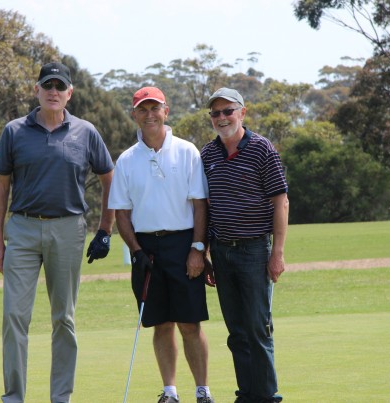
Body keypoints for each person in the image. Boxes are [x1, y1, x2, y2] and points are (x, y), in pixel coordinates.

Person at [0, 62, 115, 403]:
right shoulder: (14, 131)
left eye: (60, 86)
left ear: (69, 93)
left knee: (64, 319)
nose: (54, 91)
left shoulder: (86, 132)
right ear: (37, 90)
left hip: (68, 228)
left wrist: (105, 228)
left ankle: (61, 398)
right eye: (48, 85)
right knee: (14, 316)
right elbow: (0, 187)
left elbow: (110, 179)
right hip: (24, 230)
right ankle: (14, 397)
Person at [109, 87, 214, 403]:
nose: (150, 114)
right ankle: (170, 392)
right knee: (161, 324)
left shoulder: (186, 151)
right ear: (135, 115)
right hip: (146, 248)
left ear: (166, 111)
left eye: (155, 108)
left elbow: (200, 206)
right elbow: (122, 214)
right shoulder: (127, 160)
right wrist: (137, 252)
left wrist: (198, 249)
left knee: (190, 324)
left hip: (183, 245)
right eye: (143, 109)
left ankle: (202, 391)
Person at [201, 88, 289, 403]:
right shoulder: (207, 155)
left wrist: (277, 253)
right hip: (222, 252)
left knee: (258, 327)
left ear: (243, 112)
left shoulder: (262, 149)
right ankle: (247, 394)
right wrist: (206, 253)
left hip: (254, 250)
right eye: (216, 113)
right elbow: (206, 208)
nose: (222, 118)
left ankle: (266, 396)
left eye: (228, 111)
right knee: (236, 331)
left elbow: (281, 202)